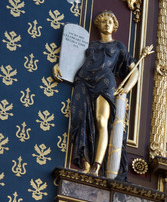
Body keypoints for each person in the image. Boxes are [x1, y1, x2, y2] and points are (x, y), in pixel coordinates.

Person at [53, 10, 139, 180]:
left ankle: (97, 165)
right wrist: (58, 65)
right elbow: (71, 60)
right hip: (84, 81)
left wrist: (127, 88)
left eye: (110, 22)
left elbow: (134, 70)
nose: (107, 24)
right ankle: (84, 162)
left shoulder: (118, 46)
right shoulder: (90, 45)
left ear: (114, 26)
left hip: (104, 82)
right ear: (98, 25)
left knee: (101, 120)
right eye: (104, 21)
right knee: (81, 119)